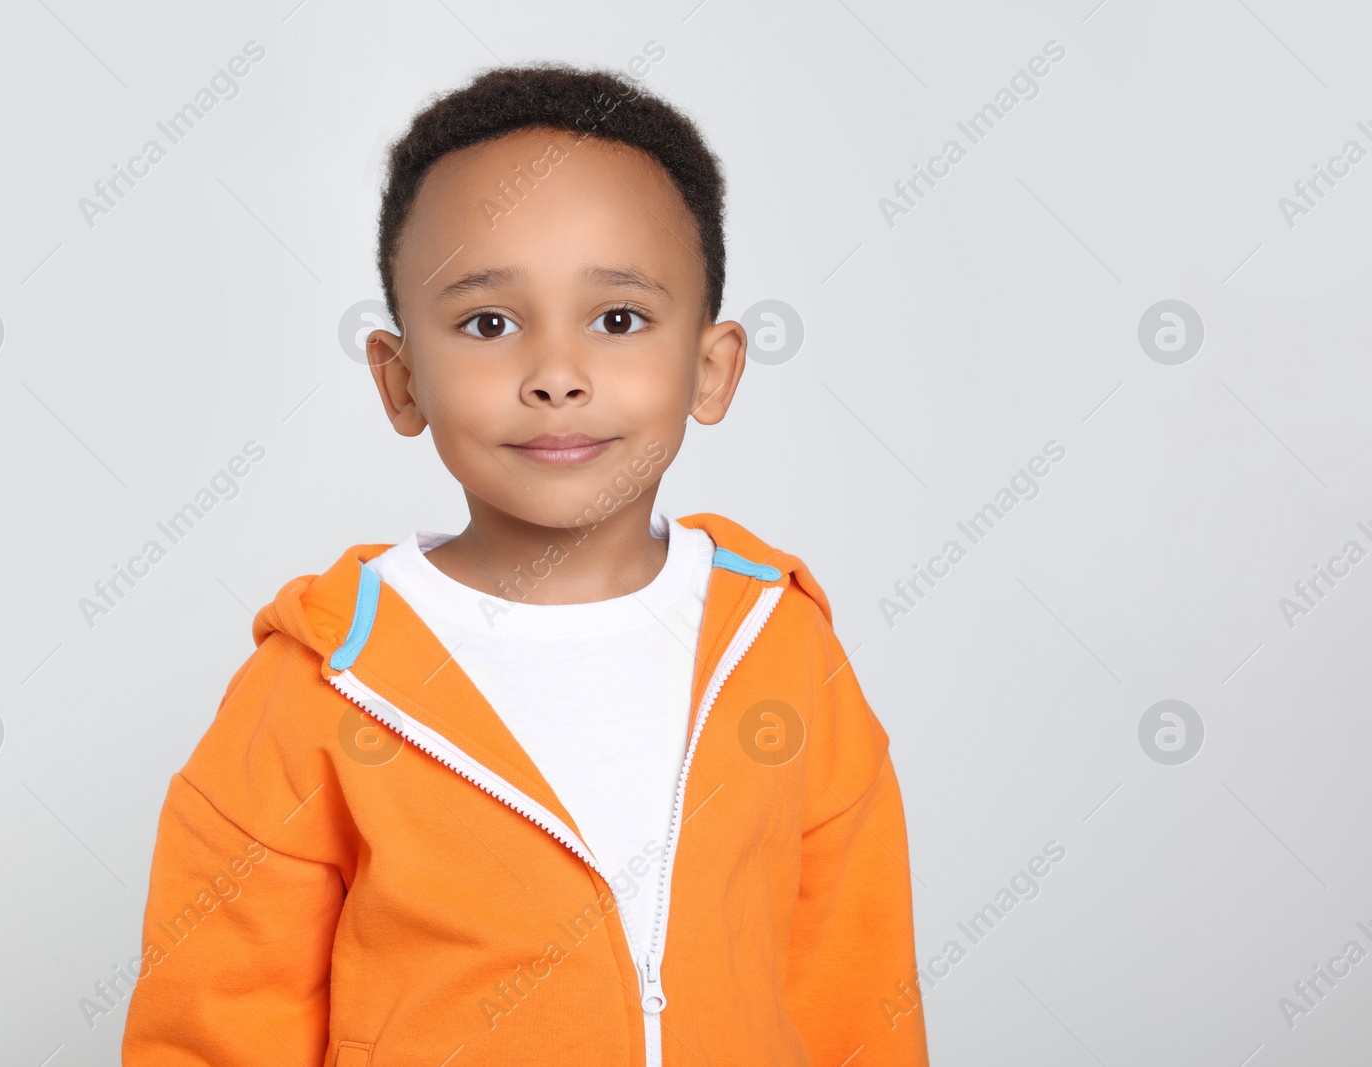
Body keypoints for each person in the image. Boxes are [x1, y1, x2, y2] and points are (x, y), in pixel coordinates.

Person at [122, 61, 930, 1067]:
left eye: (619, 319)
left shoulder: (785, 647)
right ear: (401, 376)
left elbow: (857, 999)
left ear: (710, 367)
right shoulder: (315, 687)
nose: (555, 375)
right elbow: (212, 1033)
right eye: (488, 324)